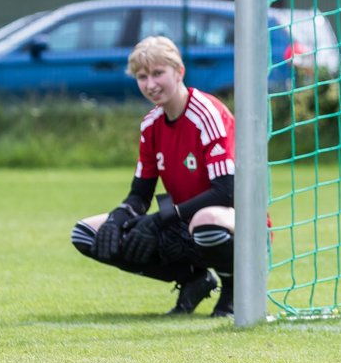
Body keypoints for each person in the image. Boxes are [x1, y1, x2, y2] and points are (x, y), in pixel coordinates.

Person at [70, 36, 237, 317]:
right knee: (87, 233)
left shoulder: (207, 113)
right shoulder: (150, 124)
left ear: (179, 72)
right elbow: (140, 195)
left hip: (234, 221)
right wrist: (117, 219)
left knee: (206, 222)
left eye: (158, 73)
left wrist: (160, 219)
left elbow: (226, 192)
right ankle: (193, 279)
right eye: (142, 76)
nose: (150, 84)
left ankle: (234, 293)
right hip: (182, 223)